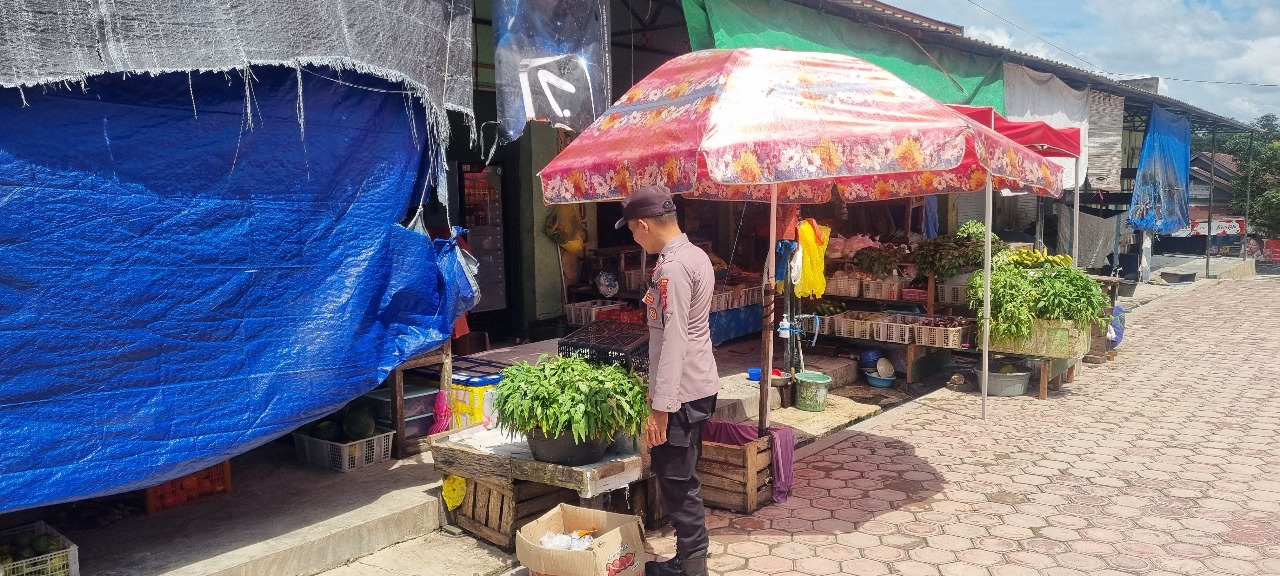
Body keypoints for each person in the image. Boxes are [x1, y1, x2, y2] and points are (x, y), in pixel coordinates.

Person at [615, 185, 720, 576]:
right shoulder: (696, 255)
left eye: (631, 231)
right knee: (683, 476)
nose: (633, 238)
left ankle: (691, 567)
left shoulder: (672, 268)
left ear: (643, 225)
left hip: (681, 392)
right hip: (700, 383)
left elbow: (674, 338)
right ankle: (688, 560)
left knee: (677, 481)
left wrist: (661, 408)